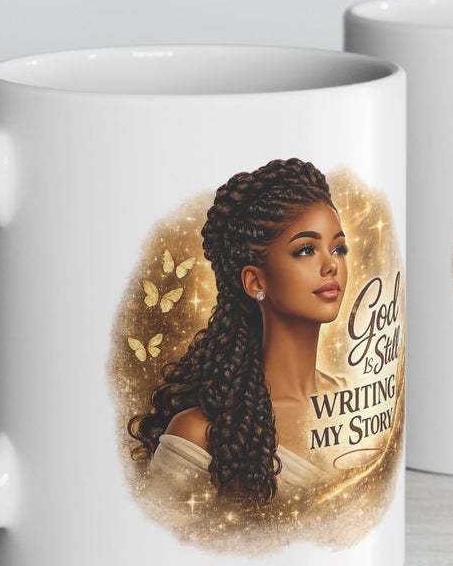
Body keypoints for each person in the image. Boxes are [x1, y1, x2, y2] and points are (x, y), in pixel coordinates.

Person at [129, 158, 349, 505]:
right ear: (255, 281)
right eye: (306, 249)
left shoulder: (351, 400)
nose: (331, 264)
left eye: (339, 248)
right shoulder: (198, 433)